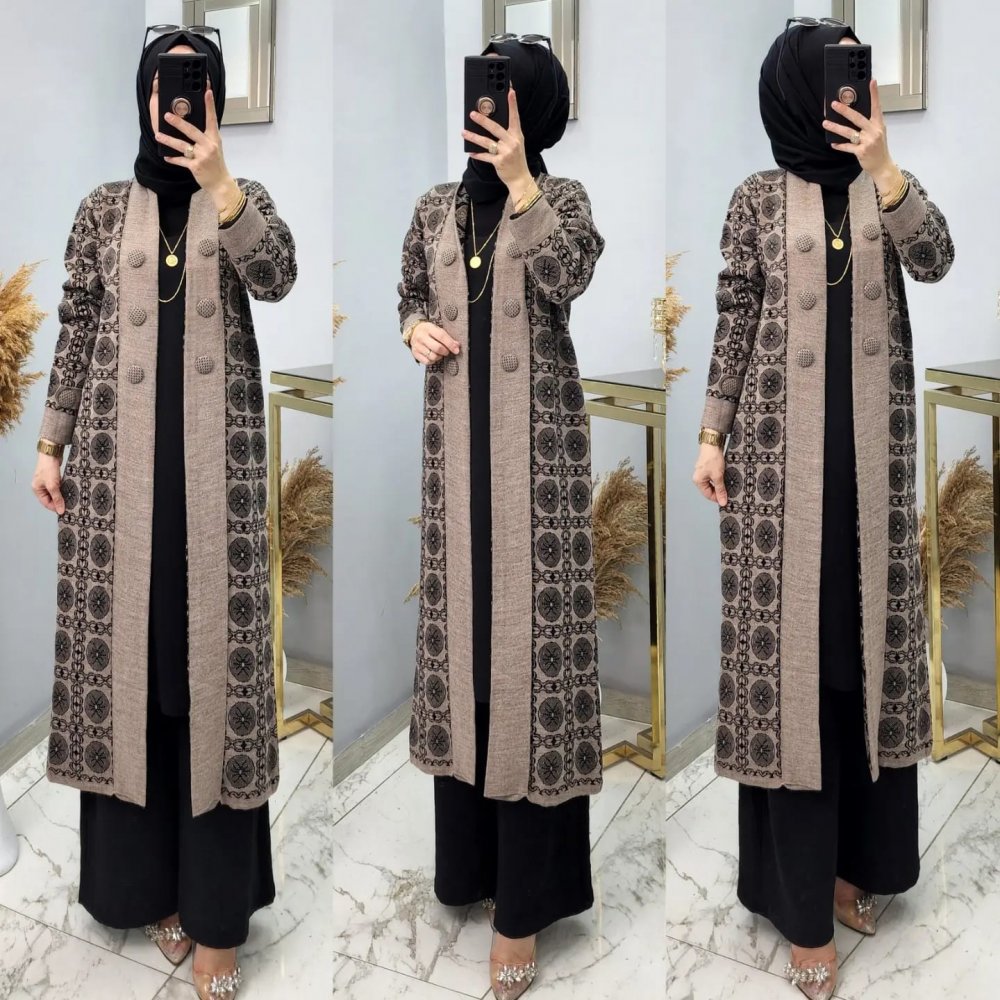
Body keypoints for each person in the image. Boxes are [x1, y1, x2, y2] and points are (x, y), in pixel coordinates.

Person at [30, 26, 297, 1000]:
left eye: (195, 86)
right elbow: (76, 327)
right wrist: (51, 441)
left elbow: (278, 277)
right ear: (143, 97)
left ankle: (218, 915)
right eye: (164, 86)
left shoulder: (244, 198)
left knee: (210, 680)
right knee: (133, 678)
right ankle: (145, 889)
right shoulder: (103, 208)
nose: (176, 103)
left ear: (214, 100)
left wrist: (222, 181)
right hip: (115, 489)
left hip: (215, 491)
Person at [691, 19, 953, 999]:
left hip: (872, 473)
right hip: (775, 475)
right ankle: (800, 903)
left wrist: (884, 166)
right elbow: (735, 317)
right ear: (794, 92)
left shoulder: (888, 185)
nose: (849, 92)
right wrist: (710, 433)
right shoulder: (757, 198)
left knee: (861, 661)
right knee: (796, 672)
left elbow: (936, 258)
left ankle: (858, 865)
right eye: (832, 78)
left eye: (860, 74)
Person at [397, 37, 605, 1000]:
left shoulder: (564, 201)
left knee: (530, 660)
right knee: (468, 655)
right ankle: (473, 869)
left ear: (538, 111)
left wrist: (522, 180)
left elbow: (568, 275)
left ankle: (526, 904)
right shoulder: (432, 207)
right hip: (456, 466)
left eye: (509, 99)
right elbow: (411, 291)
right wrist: (412, 327)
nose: (489, 114)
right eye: (483, 96)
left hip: (539, 466)